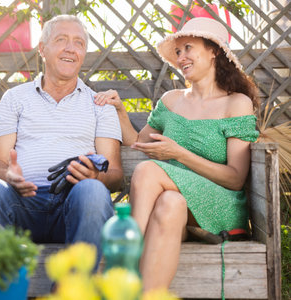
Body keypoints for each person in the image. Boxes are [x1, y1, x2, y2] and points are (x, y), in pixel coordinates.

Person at [94, 17, 259, 292]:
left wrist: (179, 154)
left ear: (214, 50)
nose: (181, 57)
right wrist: (120, 111)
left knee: (147, 170)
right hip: (180, 209)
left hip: (220, 207)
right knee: (170, 203)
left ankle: (123, 260)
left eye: (189, 48)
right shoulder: (171, 101)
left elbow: (236, 178)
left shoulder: (236, 103)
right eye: (178, 51)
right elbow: (137, 142)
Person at [0, 15, 123, 265]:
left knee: (93, 191)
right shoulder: (15, 98)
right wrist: (9, 176)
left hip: (73, 206)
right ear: (42, 49)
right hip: (20, 204)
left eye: (79, 43)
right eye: (62, 40)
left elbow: (115, 174)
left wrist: (95, 176)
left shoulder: (99, 105)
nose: (71, 48)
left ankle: (72, 291)